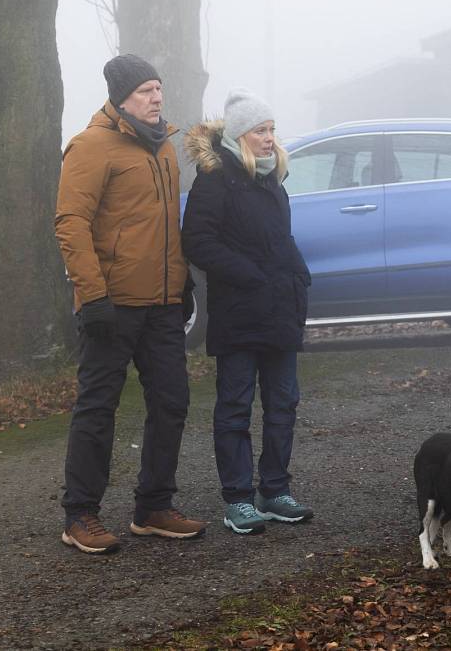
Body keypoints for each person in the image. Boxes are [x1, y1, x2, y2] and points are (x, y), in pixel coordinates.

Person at [55, 54, 207, 554]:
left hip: (162, 304)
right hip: (111, 305)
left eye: (159, 88)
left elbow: (164, 224)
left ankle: (153, 507)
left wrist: (180, 283)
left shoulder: (163, 147)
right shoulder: (91, 146)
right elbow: (71, 224)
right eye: (145, 90)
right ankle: (81, 515)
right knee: (97, 408)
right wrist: (92, 296)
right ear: (121, 97)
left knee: (172, 402)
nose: (156, 98)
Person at [181, 89, 314, 535]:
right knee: (235, 407)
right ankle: (237, 499)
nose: (270, 138)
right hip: (239, 313)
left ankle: (274, 491)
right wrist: (250, 275)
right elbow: (197, 242)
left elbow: (283, 242)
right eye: (261, 130)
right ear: (241, 136)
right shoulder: (214, 180)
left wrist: (299, 277)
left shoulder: (272, 181)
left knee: (283, 404)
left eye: (273, 129)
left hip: (279, 312)